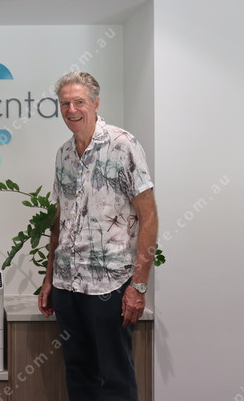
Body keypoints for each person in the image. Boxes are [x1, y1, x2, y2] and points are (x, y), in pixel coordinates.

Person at [38, 72, 158, 401]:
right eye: (65, 103)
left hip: (110, 286)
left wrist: (139, 286)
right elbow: (60, 220)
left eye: (79, 102)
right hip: (67, 285)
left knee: (115, 377)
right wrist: (49, 278)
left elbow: (149, 217)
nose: (71, 110)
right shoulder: (63, 154)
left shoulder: (123, 145)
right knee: (78, 373)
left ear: (95, 103)